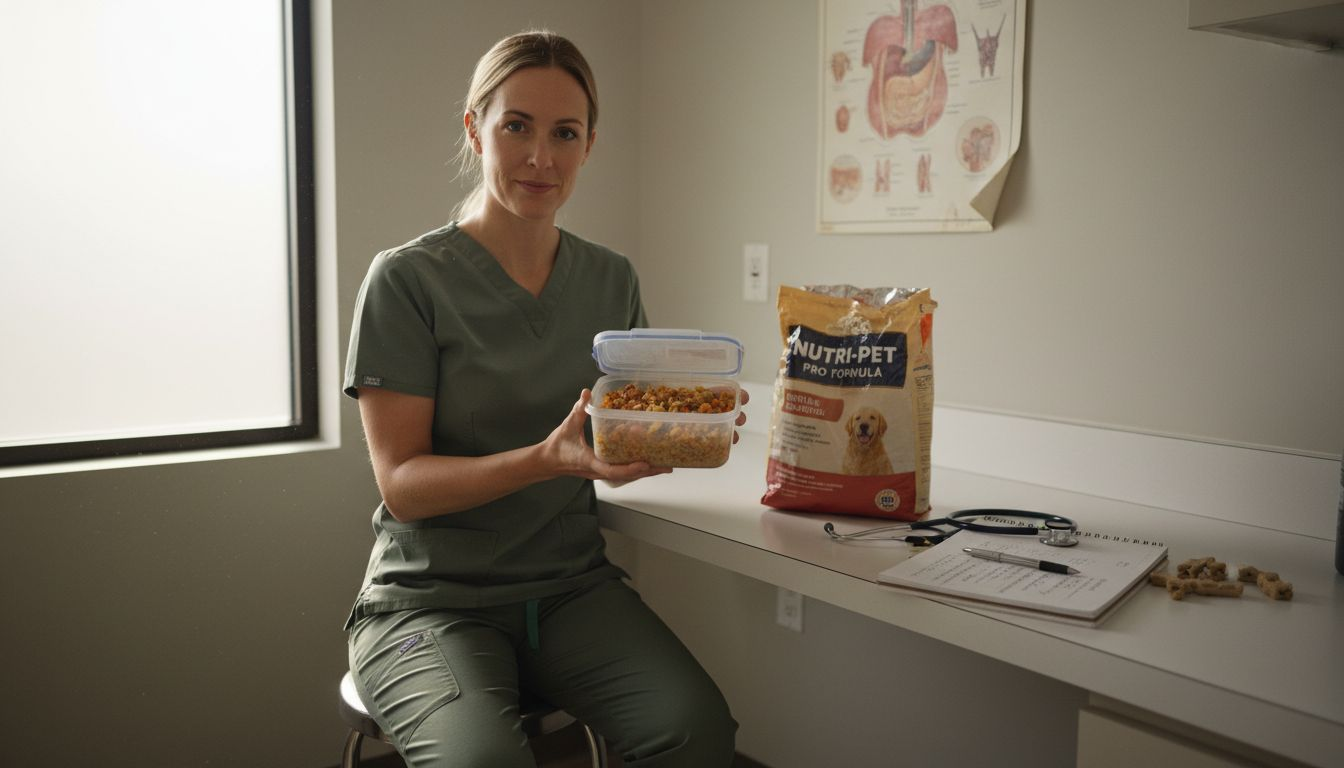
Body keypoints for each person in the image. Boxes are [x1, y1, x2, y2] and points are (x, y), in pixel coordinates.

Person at [342, 30, 742, 768]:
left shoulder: (610, 279)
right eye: (516, 126)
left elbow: (618, 434)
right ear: (475, 128)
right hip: (430, 601)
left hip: (567, 590)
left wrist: (679, 426)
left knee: (697, 732)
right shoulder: (406, 282)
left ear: (590, 144)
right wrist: (546, 461)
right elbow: (403, 488)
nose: (541, 158)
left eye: (565, 133)